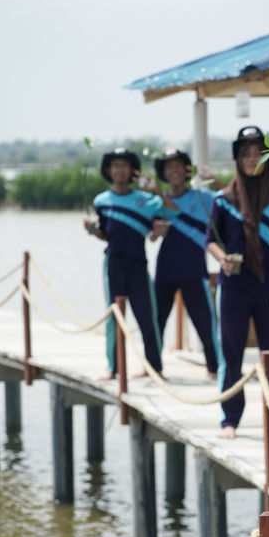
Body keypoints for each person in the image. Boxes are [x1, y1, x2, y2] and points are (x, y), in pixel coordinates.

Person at [206, 126, 269, 440]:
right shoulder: (223, 199)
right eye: (246, 154)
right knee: (231, 357)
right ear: (237, 159)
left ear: (266, 159)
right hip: (234, 289)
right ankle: (229, 420)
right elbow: (210, 241)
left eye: (258, 154)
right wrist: (223, 258)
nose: (252, 159)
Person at [84, 147, 178, 380]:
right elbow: (105, 233)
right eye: (115, 165)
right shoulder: (102, 201)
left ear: (132, 171)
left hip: (138, 264)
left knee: (147, 316)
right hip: (114, 263)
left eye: (124, 165)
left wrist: (157, 196)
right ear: (109, 170)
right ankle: (113, 367)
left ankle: (154, 368)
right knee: (114, 316)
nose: (120, 170)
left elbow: (172, 215)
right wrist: (92, 231)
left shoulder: (147, 201)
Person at [148, 148, 222, 380]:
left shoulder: (203, 197)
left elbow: (231, 196)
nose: (174, 171)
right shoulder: (156, 202)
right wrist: (154, 232)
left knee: (204, 320)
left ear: (187, 170)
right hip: (166, 267)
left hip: (193, 267)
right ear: (163, 172)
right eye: (169, 167)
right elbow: (151, 234)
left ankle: (214, 368)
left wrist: (212, 179)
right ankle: (153, 368)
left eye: (178, 166)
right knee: (156, 319)